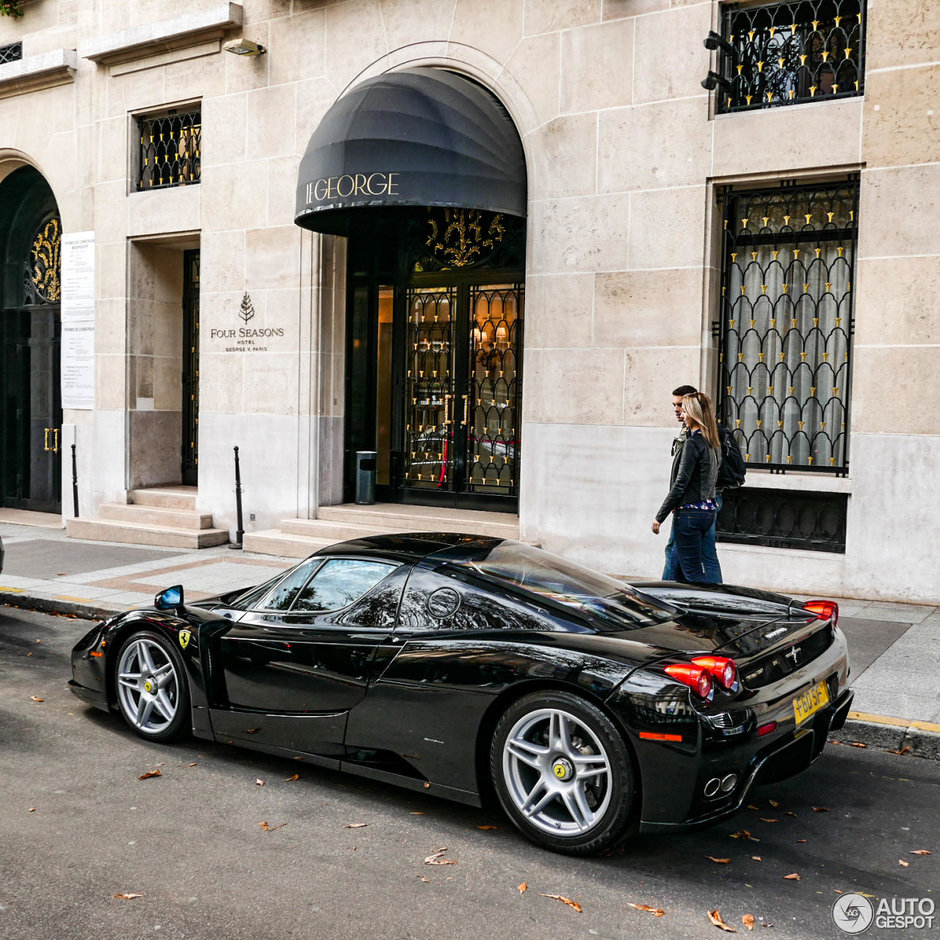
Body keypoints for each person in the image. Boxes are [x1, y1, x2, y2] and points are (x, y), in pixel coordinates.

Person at [652, 392, 722, 583]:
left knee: (693, 574)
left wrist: (660, 516)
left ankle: (714, 606)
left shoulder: (693, 443)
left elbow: (680, 483)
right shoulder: (713, 443)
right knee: (678, 570)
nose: (681, 414)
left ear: (694, 413)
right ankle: (670, 604)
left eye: (684, 410)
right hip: (707, 511)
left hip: (689, 513)